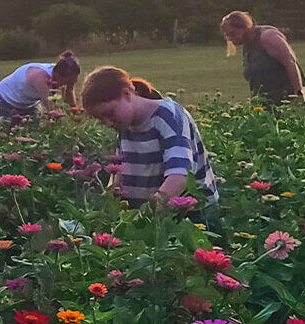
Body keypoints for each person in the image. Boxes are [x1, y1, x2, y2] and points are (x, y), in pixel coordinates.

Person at [81, 66, 220, 226]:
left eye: (110, 113)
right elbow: (120, 173)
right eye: (100, 119)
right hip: (152, 217)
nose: (107, 122)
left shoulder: (169, 117)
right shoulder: (125, 125)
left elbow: (179, 177)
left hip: (194, 218)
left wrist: (144, 220)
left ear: (127, 94)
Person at [220, 11, 305, 104]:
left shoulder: (268, 36)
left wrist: (299, 95)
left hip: (286, 99)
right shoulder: (247, 45)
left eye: (232, 33)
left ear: (244, 27)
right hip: (264, 101)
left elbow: (290, 63)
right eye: (226, 35)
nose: (229, 38)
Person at [0, 51, 81, 121]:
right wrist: (67, 122)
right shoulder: (41, 78)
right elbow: (51, 109)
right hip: (6, 100)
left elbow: (69, 98)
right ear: (59, 76)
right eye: (68, 81)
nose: (70, 83)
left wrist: (74, 114)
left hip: (29, 104)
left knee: (33, 131)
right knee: (5, 129)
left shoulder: (61, 73)